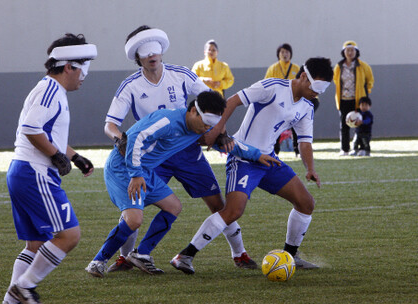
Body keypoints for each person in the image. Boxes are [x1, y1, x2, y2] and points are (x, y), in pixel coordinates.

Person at [102, 26, 256, 274]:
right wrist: (120, 139)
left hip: (187, 150)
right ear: (138, 57)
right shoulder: (129, 85)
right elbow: (110, 124)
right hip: (153, 156)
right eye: (145, 52)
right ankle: (125, 258)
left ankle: (239, 253)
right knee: (134, 204)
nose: (152, 56)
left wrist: (222, 132)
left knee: (217, 203)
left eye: (155, 51)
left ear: (161, 51)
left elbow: (216, 103)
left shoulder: (182, 75)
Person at [86, 91, 279, 278]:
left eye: (210, 125)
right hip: (124, 168)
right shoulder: (167, 120)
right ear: (193, 111)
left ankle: (141, 254)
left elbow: (232, 145)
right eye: (204, 123)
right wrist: (136, 174)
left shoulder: (198, 128)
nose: (206, 129)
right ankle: (98, 261)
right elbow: (134, 138)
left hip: (144, 171)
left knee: (173, 207)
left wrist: (257, 155)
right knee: (134, 220)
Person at [173, 57, 334, 274]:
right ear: (304, 76)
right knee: (233, 211)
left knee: (306, 203)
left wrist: (310, 168)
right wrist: (219, 131)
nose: (318, 93)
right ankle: (185, 255)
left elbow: (305, 141)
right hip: (243, 158)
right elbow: (232, 101)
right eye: (317, 87)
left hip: (268, 160)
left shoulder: (306, 107)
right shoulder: (272, 86)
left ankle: (291, 255)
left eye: (323, 90)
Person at [2, 34, 97, 304]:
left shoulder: (47, 88)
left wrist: (74, 156)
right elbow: (31, 129)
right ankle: (24, 287)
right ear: (68, 66)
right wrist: (56, 155)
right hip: (35, 172)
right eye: (82, 68)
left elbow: (43, 130)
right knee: (69, 235)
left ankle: (11, 301)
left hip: (22, 170)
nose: (84, 76)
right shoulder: (51, 91)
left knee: (35, 244)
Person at [333, 40, 374, 156]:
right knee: (344, 125)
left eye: (352, 50)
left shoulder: (363, 66)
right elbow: (335, 80)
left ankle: (361, 148)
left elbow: (370, 80)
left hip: (358, 100)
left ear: (356, 52)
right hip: (343, 100)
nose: (350, 53)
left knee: (360, 124)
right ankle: (344, 149)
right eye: (347, 50)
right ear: (343, 52)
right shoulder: (338, 67)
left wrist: (366, 93)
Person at [264, 43, 302, 156]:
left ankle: (298, 151)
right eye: (282, 52)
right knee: (275, 127)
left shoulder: (296, 68)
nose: (285, 54)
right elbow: (267, 84)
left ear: (291, 54)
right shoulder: (273, 68)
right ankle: (274, 151)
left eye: (287, 52)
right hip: (278, 102)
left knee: (296, 126)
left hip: (293, 102)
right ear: (278, 54)